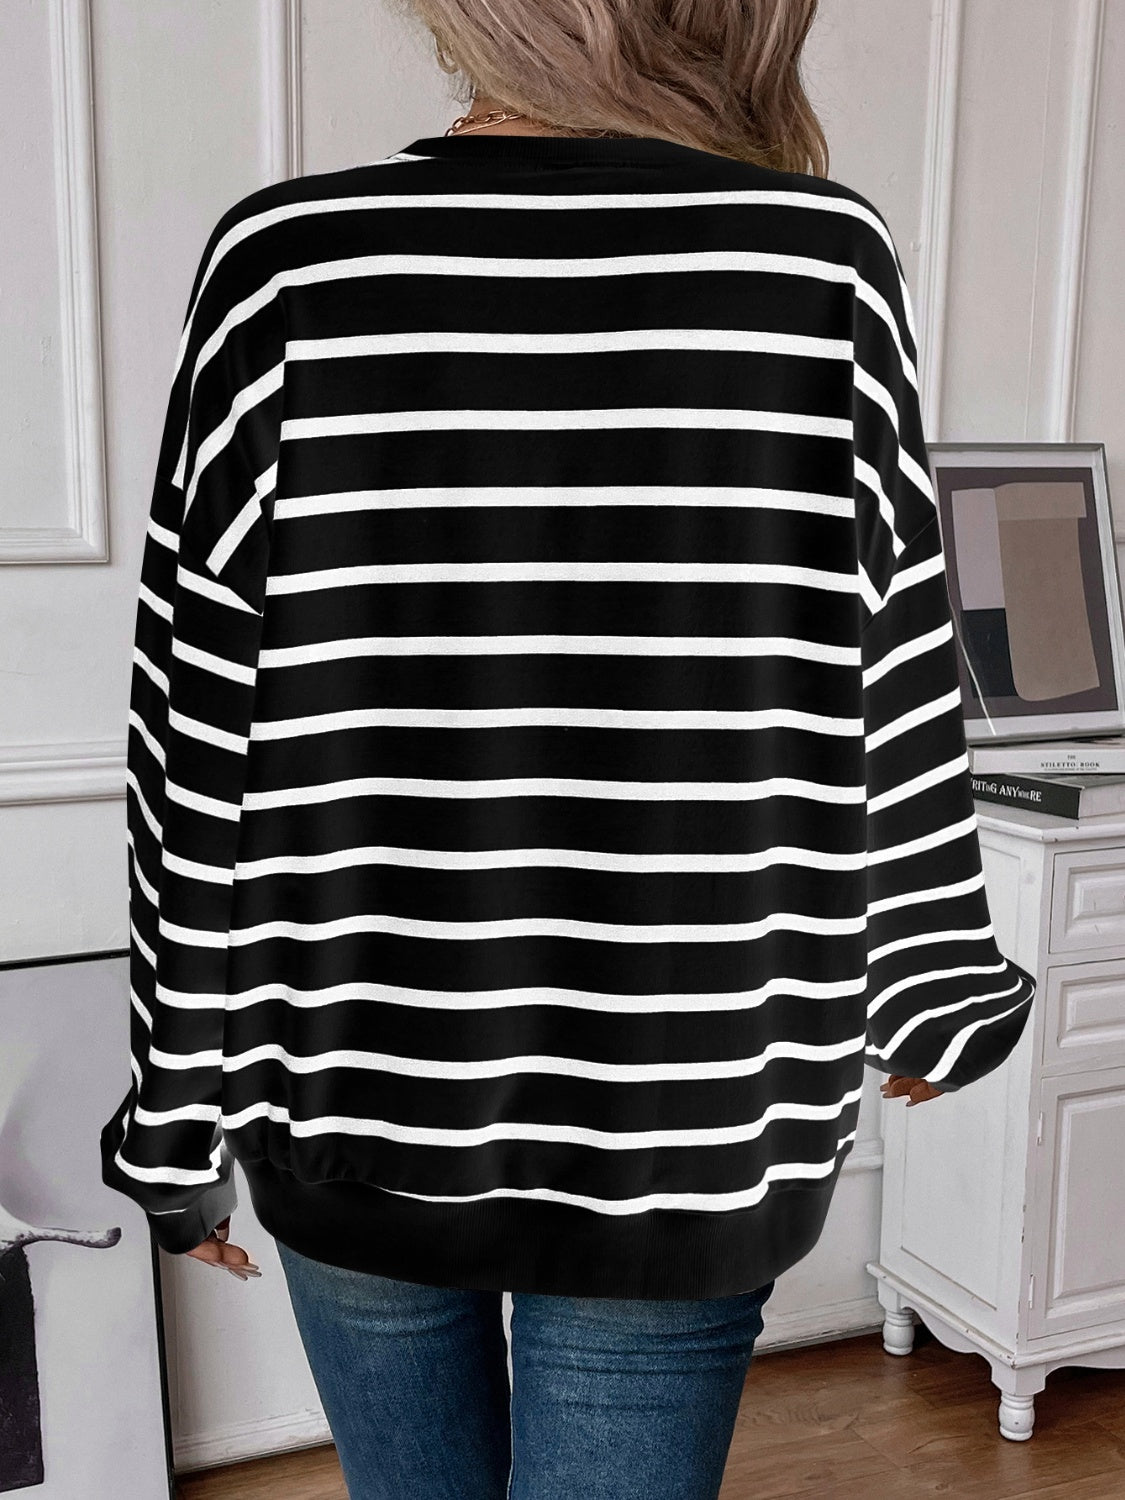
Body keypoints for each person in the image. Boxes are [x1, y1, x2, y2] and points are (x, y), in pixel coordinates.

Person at [100, 2, 1037, 1496]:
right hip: (689, 1089)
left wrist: (172, 1109)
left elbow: (192, 727)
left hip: (351, 1063)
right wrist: (936, 983)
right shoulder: (810, 261)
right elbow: (896, 670)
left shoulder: (289, 260)